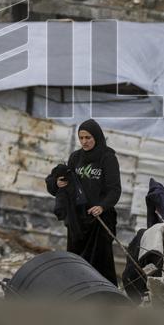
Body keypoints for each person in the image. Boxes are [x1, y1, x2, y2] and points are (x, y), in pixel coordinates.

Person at [45, 119, 122, 284]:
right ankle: (78, 294)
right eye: (81, 138)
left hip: (99, 221)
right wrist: (57, 183)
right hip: (78, 222)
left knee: (101, 262)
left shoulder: (107, 158)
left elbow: (114, 189)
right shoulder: (75, 157)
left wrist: (102, 206)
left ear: (97, 137)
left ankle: (103, 295)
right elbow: (64, 181)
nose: (84, 142)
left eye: (88, 137)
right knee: (76, 261)